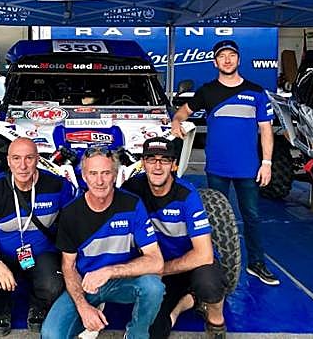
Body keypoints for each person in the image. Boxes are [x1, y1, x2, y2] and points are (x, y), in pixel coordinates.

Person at [171, 39, 279, 286]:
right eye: (222, 56)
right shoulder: (207, 91)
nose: (227, 60)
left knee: (252, 216)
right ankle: (215, 264)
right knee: (215, 219)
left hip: (249, 168)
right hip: (217, 168)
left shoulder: (256, 91)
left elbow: (266, 130)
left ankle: (256, 263)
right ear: (215, 62)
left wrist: (267, 163)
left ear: (239, 59)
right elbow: (183, 112)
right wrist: (176, 121)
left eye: (231, 55)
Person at [41, 147, 165, 339]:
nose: (99, 181)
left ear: (115, 175)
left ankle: (137, 334)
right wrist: (83, 307)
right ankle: (93, 309)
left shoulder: (132, 204)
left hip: (123, 280)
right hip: (86, 284)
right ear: (84, 176)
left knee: (154, 287)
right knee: (51, 334)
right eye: (93, 173)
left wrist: (108, 271)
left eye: (106, 173)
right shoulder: (71, 213)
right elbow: (68, 266)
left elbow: (156, 262)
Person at [123, 137, 228, 339]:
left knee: (209, 283)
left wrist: (159, 268)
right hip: (158, 270)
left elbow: (204, 255)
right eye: (151, 159)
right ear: (143, 163)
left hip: (191, 264)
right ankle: (187, 303)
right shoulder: (132, 188)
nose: (157, 166)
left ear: (174, 165)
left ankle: (216, 321)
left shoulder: (187, 195)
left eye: (164, 160)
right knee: (154, 331)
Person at [0, 137, 75, 336]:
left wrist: (69, 262)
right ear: (8, 161)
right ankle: (1, 311)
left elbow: (71, 226)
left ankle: (38, 306)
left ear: (38, 159)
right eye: (16, 158)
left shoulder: (56, 185)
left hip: (42, 253)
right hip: (2, 254)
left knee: (53, 285)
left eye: (29, 158)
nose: (22, 165)